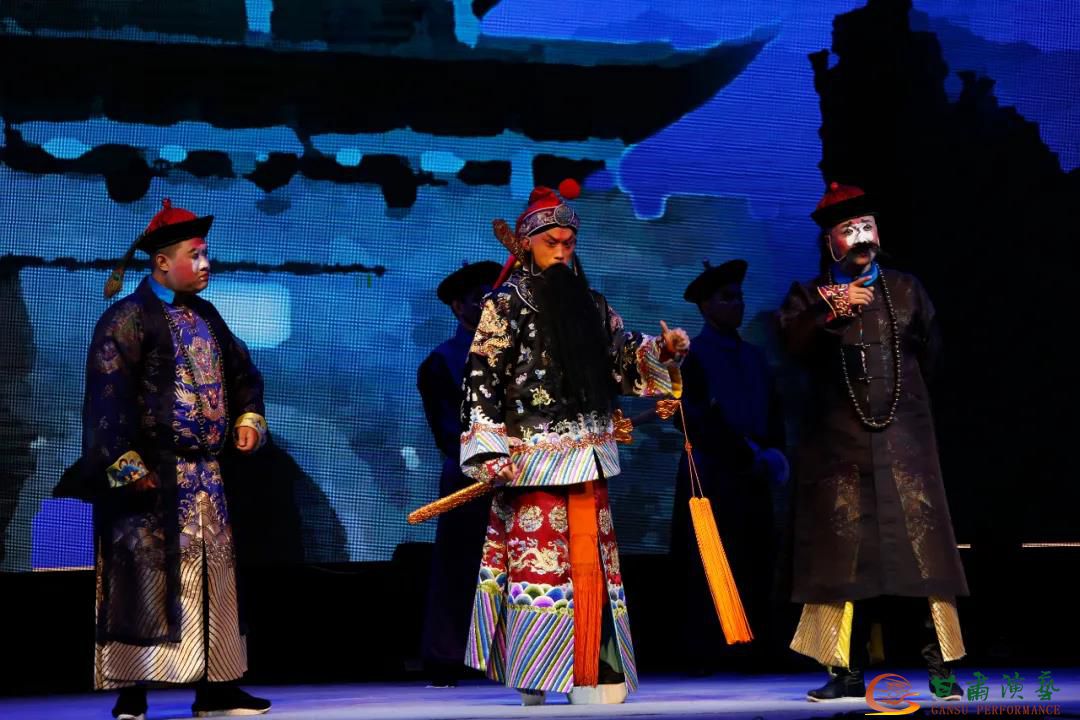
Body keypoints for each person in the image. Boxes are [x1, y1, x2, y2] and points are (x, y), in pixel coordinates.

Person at [460, 180, 689, 705]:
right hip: (531, 462)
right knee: (539, 567)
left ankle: (594, 668)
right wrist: (490, 450)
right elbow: (481, 379)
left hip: (587, 455)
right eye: (551, 244)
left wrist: (662, 351)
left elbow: (622, 359)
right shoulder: (504, 306)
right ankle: (537, 671)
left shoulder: (592, 304)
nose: (562, 252)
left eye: (568, 243)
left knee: (592, 567)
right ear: (527, 245)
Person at [777, 182, 967, 702]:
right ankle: (845, 672)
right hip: (838, 449)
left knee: (925, 556)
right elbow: (792, 346)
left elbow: (934, 356)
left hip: (904, 443)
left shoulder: (907, 289)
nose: (862, 239)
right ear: (830, 242)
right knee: (842, 561)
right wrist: (834, 310)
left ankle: (941, 669)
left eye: (867, 228)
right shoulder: (809, 297)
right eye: (849, 231)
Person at [84, 199, 271, 719]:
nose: (206, 264)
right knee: (142, 581)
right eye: (196, 254)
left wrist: (248, 418)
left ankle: (218, 689)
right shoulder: (128, 318)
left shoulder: (208, 316)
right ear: (163, 262)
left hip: (206, 476)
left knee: (214, 579)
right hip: (150, 476)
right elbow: (106, 397)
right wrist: (126, 466)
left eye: (207, 253)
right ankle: (131, 693)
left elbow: (243, 375)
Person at [670, 258, 786, 673]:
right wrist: (743, 452)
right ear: (705, 306)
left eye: (739, 297)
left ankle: (757, 648)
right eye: (726, 297)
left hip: (753, 475)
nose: (736, 304)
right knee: (712, 563)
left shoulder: (755, 356)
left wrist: (773, 454)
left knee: (756, 559)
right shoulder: (692, 357)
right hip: (712, 475)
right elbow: (694, 416)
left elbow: (773, 411)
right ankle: (711, 651)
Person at [418, 260, 503, 687]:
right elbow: (447, 430)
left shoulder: (516, 354)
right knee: (460, 568)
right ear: (458, 306)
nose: (488, 305)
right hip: (470, 478)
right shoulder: (442, 361)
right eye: (478, 299)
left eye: (493, 297)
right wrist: (487, 461)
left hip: (519, 476)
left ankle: (513, 655)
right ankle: (447, 658)